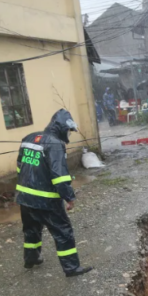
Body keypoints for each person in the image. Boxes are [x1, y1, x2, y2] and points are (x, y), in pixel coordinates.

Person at [16, 109, 92, 277]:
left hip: (25, 197)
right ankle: (72, 267)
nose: (69, 134)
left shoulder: (29, 138)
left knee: (31, 229)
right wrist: (69, 197)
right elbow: (59, 176)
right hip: (46, 200)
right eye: (68, 131)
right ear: (62, 128)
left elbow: (20, 166)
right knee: (63, 232)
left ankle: (31, 258)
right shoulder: (55, 144)